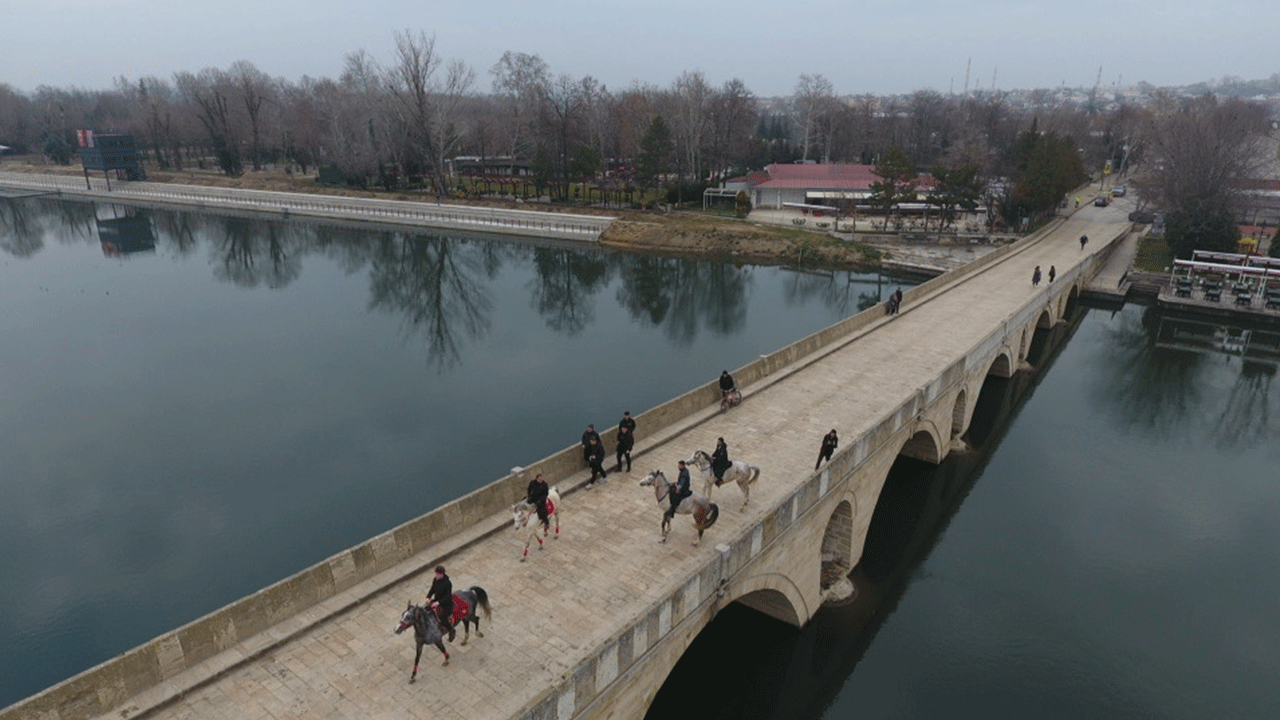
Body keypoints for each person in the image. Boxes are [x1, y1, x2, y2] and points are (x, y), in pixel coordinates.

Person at [426, 565, 455, 642]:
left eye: (437, 574)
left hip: (445, 604)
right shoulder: (435, 580)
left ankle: (451, 630)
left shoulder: (448, 583)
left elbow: (448, 597)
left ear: (441, 574)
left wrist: (438, 603)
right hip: (436, 601)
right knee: (426, 609)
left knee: (443, 618)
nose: (436, 575)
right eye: (435, 574)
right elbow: (432, 589)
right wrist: (428, 597)